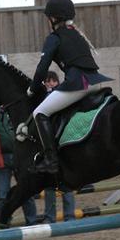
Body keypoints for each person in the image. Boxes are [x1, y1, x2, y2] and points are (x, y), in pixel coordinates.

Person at [27, 0, 112, 174]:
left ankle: (51, 160)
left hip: (78, 84)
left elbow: (42, 69)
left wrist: (32, 89)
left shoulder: (54, 38)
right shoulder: (77, 34)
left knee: (39, 112)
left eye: (48, 17)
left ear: (54, 18)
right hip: (95, 82)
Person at [0, 98, 39, 226]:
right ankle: (3, 224)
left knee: (26, 191)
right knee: (2, 195)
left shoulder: (17, 109)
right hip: (0, 159)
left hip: (20, 157)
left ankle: (32, 222)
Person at [42, 71, 76, 222]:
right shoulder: (44, 97)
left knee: (65, 183)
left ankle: (68, 215)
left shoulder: (62, 96)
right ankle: (52, 216)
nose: (50, 84)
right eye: (47, 81)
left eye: (52, 81)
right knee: (50, 184)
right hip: (51, 145)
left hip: (61, 144)